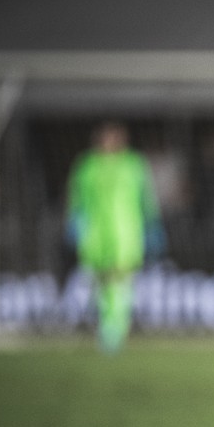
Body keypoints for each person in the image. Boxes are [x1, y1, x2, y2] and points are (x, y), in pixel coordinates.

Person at [67, 121, 164, 352]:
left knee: (120, 278)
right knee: (100, 280)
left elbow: (146, 197)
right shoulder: (87, 166)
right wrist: (75, 221)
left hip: (126, 231)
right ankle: (107, 321)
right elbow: (76, 197)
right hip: (96, 233)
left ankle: (114, 328)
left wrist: (152, 223)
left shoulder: (134, 165)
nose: (110, 142)